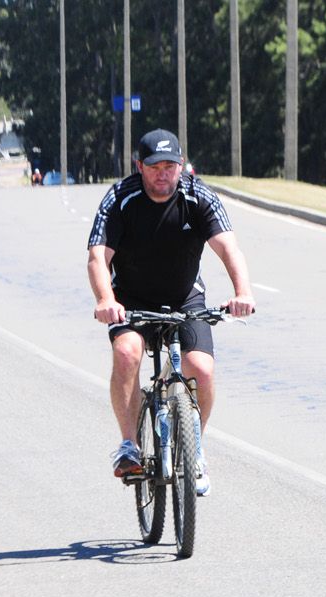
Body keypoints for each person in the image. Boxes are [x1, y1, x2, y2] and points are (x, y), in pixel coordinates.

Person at [86, 128, 256, 495]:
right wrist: (105, 299)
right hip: (130, 301)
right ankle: (129, 444)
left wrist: (242, 292)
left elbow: (229, 248)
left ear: (182, 166)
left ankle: (194, 449)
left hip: (185, 297)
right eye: (154, 166)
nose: (163, 173)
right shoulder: (121, 198)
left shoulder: (198, 196)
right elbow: (98, 256)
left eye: (170, 165)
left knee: (202, 370)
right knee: (127, 352)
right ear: (139, 167)